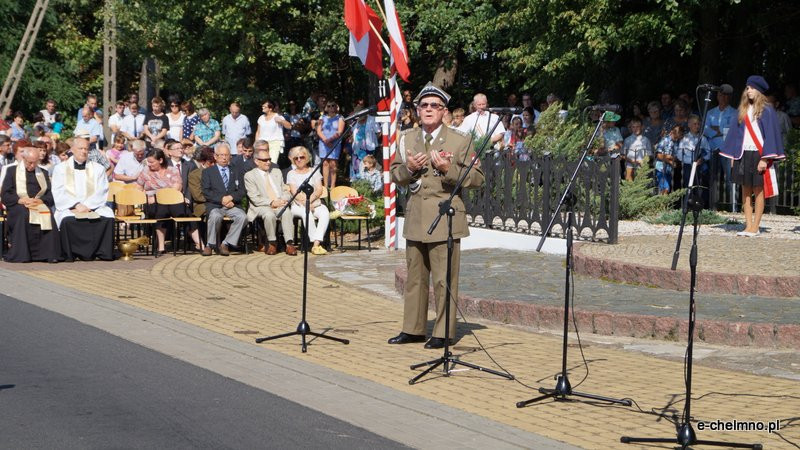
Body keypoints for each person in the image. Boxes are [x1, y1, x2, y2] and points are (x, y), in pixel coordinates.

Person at [388, 82, 483, 349]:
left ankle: (443, 331)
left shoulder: (460, 140)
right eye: (423, 105)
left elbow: (477, 178)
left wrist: (448, 168)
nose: (428, 109)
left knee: (443, 278)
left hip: (445, 217)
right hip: (417, 215)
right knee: (415, 277)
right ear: (418, 110)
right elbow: (396, 174)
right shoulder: (408, 137)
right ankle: (413, 328)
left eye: (434, 106)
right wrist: (408, 168)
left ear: (444, 111)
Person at [720, 75, 785, 237]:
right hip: (743, 154)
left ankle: (756, 226)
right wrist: (734, 157)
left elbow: (770, 135)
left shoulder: (767, 110)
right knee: (745, 191)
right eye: (748, 88)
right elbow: (735, 137)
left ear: (759, 91)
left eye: (752, 88)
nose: (749, 90)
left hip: (759, 154)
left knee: (758, 190)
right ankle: (748, 225)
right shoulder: (742, 110)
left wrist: (764, 159)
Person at [51, 137, 115, 261]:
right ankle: (70, 253)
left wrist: (88, 206)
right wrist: (76, 205)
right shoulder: (60, 168)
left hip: (92, 206)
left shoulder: (98, 169)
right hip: (70, 207)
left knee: (108, 216)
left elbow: (102, 190)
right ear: (72, 150)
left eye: (86, 149)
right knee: (66, 219)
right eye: (80, 148)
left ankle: (102, 252)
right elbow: (58, 191)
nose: (84, 151)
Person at [1, 145, 61, 262]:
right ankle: (22, 254)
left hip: (37, 204)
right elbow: (5, 195)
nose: (32, 166)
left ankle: (49, 254)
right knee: (24, 213)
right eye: (29, 163)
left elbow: (50, 195)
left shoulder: (42, 172)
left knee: (47, 213)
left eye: (35, 162)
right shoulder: (12, 171)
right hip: (19, 205)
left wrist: (41, 200)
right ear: (23, 159)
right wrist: (20, 200)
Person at [244, 147, 297, 256]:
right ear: (256, 161)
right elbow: (254, 198)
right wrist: (272, 202)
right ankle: (272, 243)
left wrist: (284, 199)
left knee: (287, 212)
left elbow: (285, 190)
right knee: (269, 215)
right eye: (264, 160)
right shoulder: (250, 176)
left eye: (269, 159)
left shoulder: (276, 172)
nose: (268, 162)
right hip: (261, 206)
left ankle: (289, 244)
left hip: (279, 203)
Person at [200, 143, 246, 256]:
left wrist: (231, 198)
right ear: (215, 156)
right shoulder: (207, 172)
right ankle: (210, 245)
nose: (224, 158)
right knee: (216, 216)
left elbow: (242, 190)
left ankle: (226, 243)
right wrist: (222, 199)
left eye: (227, 155)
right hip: (215, 205)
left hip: (232, 205)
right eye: (221, 155)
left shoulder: (236, 171)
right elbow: (206, 191)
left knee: (243, 217)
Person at [286, 146, 329, 255]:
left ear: (307, 158)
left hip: (314, 202)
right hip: (298, 205)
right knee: (307, 214)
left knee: (325, 212)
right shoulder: (291, 174)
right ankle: (316, 245)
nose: (299, 160)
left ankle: (315, 244)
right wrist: (306, 203)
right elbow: (294, 192)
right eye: (296, 158)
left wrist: (310, 201)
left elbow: (319, 189)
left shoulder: (314, 171)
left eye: (302, 157)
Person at [676, 115, 710, 190]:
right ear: (689, 125)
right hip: (688, 166)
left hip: (699, 166)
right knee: (688, 185)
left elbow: (708, 153)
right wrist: (690, 161)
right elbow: (679, 154)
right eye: (695, 124)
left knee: (699, 186)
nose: (697, 126)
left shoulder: (703, 139)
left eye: (698, 124)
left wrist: (702, 159)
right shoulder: (684, 138)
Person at [316, 101, 345, 189]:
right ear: (326, 107)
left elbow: (340, 131)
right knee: (325, 163)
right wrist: (325, 140)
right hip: (323, 142)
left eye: (333, 105)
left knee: (333, 164)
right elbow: (318, 130)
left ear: (336, 107)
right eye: (329, 106)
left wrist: (330, 140)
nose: (331, 107)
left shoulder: (340, 117)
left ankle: (332, 186)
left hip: (334, 142)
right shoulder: (322, 117)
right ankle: (325, 185)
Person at [655, 123, 682, 194]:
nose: (680, 135)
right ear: (673, 132)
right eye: (679, 133)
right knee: (665, 188)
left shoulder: (677, 143)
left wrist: (672, 158)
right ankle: (662, 205)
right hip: (661, 169)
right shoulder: (665, 140)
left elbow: (676, 156)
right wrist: (669, 160)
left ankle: (663, 205)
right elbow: (658, 155)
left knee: (666, 189)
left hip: (669, 170)